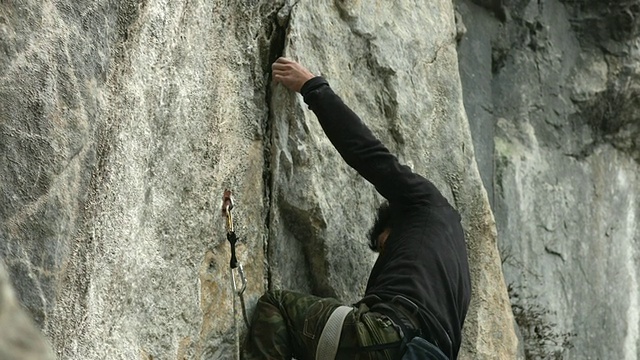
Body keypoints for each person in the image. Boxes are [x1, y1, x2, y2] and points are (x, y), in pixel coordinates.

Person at [243, 58, 471, 360]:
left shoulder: (425, 203)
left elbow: (368, 153)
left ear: (390, 229)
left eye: (384, 244)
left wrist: (313, 87)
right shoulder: (456, 283)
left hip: (387, 338)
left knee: (279, 307)